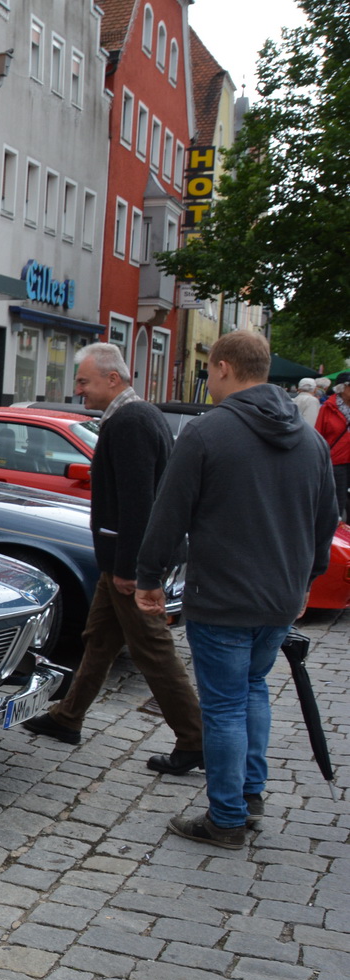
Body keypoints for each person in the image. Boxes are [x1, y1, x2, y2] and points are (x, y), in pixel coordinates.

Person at [134, 330, 337, 849]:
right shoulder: (311, 441)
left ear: (222, 367)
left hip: (223, 596)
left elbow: (168, 513)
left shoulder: (208, 433)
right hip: (280, 598)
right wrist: (308, 581)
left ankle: (225, 819)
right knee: (252, 690)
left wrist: (150, 579)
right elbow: (325, 521)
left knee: (224, 704)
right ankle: (248, 794)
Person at [22, 344, 203, 773]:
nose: (78, 389)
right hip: (123, 559)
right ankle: (67, 717)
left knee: (153, 649)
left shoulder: (130, 421)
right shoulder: (137, 414)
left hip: (131, 561)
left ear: (112, 379)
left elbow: (138, 501)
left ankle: (195, 738)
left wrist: (131, 571)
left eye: (84, 381)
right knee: (99, 639)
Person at [318, 374, 350, 521]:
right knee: (337, 502)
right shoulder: (328, 408)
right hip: (336, 463)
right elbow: (318, 435)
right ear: (342, 388)